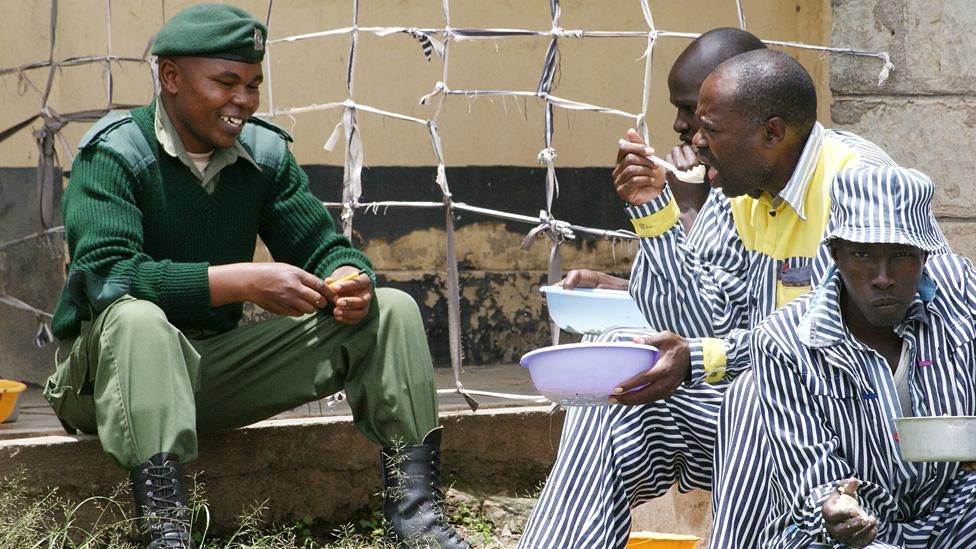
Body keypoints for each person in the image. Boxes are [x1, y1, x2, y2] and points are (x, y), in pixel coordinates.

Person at [42, 5, 469, 549]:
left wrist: (348, 277)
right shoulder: (114, 153)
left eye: (252, 85)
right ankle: (166, 533)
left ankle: (418, 520)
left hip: (207, 374)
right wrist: (242, 281)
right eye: (225, 83)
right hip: (103, 385)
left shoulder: (263, 155)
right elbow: (108, 278)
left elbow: (324, 247)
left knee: (393, 312)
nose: (242, 100)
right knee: (137, 320)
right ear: (170, 77)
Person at [521, 48, 948, 548]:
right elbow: (700, 322)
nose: (694, 142)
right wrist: (656, 216)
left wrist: (705, 358)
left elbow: (915, 320)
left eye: (710, 128)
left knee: (756, 391)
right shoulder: (741, 189)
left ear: (771, 133)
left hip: (856, 427)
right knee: (626, 371)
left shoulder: (858, 182)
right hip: (760, 404)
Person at [519, 28, 766, 548]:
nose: (680, 126)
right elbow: (707, 305)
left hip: (782, 410)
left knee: (714, 391)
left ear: (754, 111)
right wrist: (623, 289)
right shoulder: (724, 182)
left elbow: (707, 329)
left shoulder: (826, 185)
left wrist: (672, 212)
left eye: (694, 110)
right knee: (613, 375)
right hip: (718, 381)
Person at [753, 166, 976, 548]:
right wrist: (833, 507)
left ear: (924, 256)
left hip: (952, 515)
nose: (883, 276)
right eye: (862, 254)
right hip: (851, 532)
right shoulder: (783, 341)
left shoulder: (959, 291)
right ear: (835, 254)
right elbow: (810, 479)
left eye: (902, 255)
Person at [556, 27, 764, 293]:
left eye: (692, 110)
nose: (678, 124)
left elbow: (719, 315)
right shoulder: (708, 178)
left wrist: (689, 209)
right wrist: (617, 285)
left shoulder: (756, 188)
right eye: (679, 108)